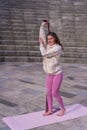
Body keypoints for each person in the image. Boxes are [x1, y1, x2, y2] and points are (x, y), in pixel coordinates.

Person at [38, 20, 65, 116]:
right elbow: (41, 37)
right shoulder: (48, 45)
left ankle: (62, 108)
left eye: (51, 39)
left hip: (57, 74)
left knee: (54, 93)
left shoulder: (57, 48)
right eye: (48, 39)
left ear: (55, 39)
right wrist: (42, 26)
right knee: (48, 93)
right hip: (49, 74)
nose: (49, 40)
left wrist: (41, 44)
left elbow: (44, 53)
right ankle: (50, 110)